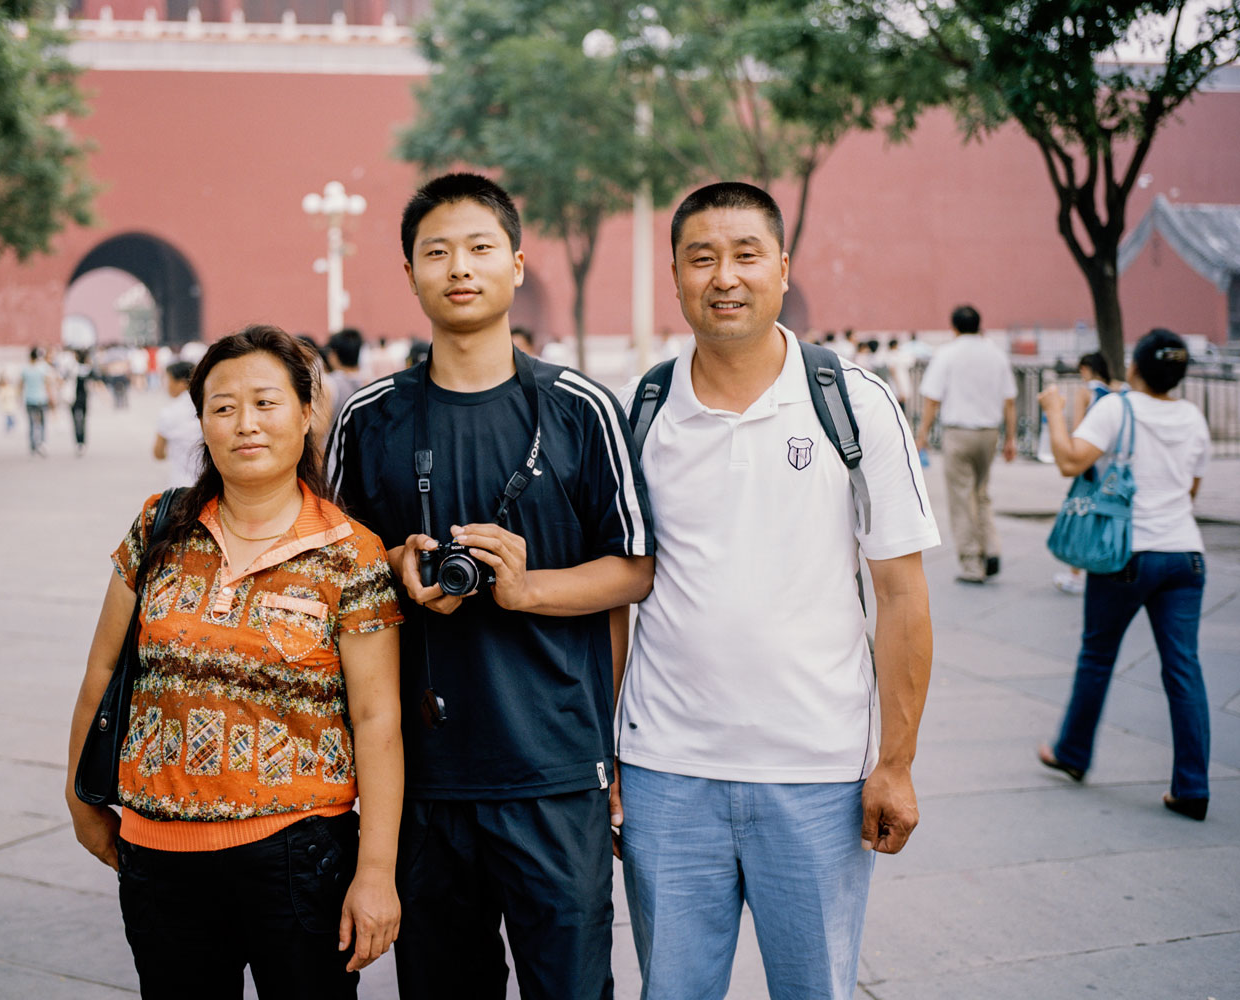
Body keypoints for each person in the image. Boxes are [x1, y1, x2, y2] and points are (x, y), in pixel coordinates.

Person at [326, 172, 654, 1000]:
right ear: (409, 274)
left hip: (552, 769)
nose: (458, 267)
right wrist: (391, 576)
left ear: (515, 262)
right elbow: (329, 580)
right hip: (420, 778)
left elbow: (636, 568)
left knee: (571, 989)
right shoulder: (369, 419)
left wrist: (527, 589)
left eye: (478, 248)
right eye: (436, 252)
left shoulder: (581, 408)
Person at [613, 182, 938, 1000]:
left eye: (746, 255)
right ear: (677, 275)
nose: (725, 276)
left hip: (819, 773)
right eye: (702, 258)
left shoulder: (852, 404)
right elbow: (619, 593)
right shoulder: (643, 411)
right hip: (666, 773)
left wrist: (894, 764)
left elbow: (901, 595)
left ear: (783, 269)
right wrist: (609, 755)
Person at [65, 326, 404, 996]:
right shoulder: (159, 526)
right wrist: (81, 800)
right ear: (202, 424)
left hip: (298, 858)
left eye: (265, 403)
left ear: (308, 413)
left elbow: (377, 718)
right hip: (160, 858)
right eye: (222, 408)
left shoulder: (351, 552)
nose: (244, 424)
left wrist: (376, 871)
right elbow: (101, 671)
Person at [1036, 329, 1213, 821]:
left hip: (1127, 556)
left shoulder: (1118, 407)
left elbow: (1071, 460)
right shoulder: (1193, 417)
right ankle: (1192, 786)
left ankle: (1072, 752)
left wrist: (1053, 411)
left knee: (1097, 654)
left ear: (1134, 368)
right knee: (1184, 668)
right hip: (1185, 556)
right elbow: (1192, 487)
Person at [914, 305, 1017, 583]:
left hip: (958, 432)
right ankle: (992, 548)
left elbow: (932, 399)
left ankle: (972, 562)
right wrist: (1011, 438)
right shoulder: (995, 353)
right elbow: (1009, 399)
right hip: (989, 432)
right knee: (982, 493)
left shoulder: (947, 354)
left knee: (961, 497)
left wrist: (922, 435)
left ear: (954, 327)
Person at [1053, 352, 1118, 595]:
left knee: (1081, 513)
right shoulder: (1115, 393)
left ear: (1087, 369)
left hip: (1088, 462)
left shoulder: (1085, 392)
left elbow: (1078, 429)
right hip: (1108, 464)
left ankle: (1075, 573)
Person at [153, 360, 203, 489]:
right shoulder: (207, 406)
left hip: (180, 485)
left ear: (181, 383)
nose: (166, 386)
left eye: (168, 380)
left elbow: (158, 452)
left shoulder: (169, 412)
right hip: (210, 485)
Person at [20, 347, 57, 456]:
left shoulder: (25, 369)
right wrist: (52, 397)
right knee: (42, 423)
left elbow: (21, 384)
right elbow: (48, 384)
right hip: (41, 399)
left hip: (29, 399)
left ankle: (32, 445)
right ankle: (42, 442)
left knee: (31, 423)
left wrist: (19, 398)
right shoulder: (43, 368)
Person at [69, 348, 96, 456]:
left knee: (75, 421)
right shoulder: (88, 369)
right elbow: (96, 382)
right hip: (84, 398)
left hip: (73, 398)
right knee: (83, 421)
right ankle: (82, 441)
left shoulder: (72, 368)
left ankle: (78, 441)